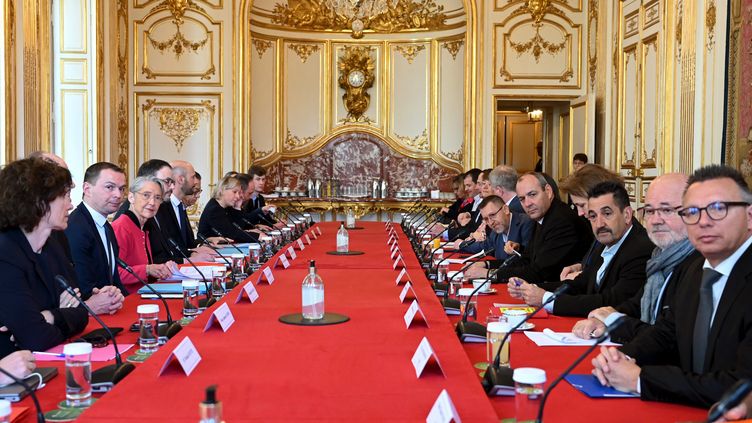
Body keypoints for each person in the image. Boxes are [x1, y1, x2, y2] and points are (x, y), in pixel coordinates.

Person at [591, 165, 752, 407]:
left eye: (719, 209)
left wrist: (640, 380)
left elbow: (742, 386)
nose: (703, 221)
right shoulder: (695, 269)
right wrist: (622, 356)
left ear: (749, 216)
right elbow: (667, 334)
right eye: (692, 212)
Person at [571, 173, 698, 341]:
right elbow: (636, 304)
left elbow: (669, 338)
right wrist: (604, 318)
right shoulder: (660, 257)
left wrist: (613, 320)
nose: (655, 220)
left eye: (666, 210)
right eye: (650, 211)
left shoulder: (698, 263)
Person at [507, 181, 654, 316]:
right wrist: (532, 289)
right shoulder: (603, 242)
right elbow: (581, 283)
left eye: (607, 213)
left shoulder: (640, 248)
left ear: (627, 215)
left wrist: (546, 299)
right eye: (593, 216)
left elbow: (612, 302)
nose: (599, 223)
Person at [0, 158, 89, 357]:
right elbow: (35, 337)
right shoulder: (5, 254)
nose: (71, 205)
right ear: (40, 202)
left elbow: (82, 313)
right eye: (64, 196)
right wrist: (60, 314)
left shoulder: (52, 245)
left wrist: (48, 315)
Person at [493, 172, 592, 285]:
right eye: (522, 199)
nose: (527, 203)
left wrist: (491, 274)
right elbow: (527, 259)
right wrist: (487, 266)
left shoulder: (561, 220)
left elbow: (538, 273)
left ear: (548, 192)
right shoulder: (542, 215)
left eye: (532, 194)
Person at [65, 162, 128, 314]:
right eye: (109, 187)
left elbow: (113, 278)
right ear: (87, 189)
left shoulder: (106, 226)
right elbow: (82, 284)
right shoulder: (75, 226)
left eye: (121, 189)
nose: (118, 195)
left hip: (110, 309)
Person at [111, 177, 175, 294]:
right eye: (146, 195)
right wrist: (147, 270)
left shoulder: (143, 227)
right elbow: (115, 275)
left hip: (146, 294)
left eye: (157, 198)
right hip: (128, 300)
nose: (152, 202)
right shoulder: (121, 227)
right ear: (131, 197)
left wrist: (161, 268)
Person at [463, 195, 534, 279]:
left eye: (492, 215)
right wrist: (484, 264)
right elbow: (486, 248)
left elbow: (525, 264)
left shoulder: (526, 224)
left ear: (505, 209)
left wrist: (488, 272)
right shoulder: (495, 231)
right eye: (486, 219)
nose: (491, 222)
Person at [198, 175, 259, 243]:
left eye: (239, 193)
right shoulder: (214, 209)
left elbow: (239, 227)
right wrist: (258, 236)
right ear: (223, 190)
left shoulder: (226, 207)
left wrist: (237, 208)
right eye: (234, 192)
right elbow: (232, 234)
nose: (238, 196)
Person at [244, 165, 283, 229]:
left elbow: (265, 220)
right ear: (250, 181)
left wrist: (278, 224)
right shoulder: (245, 199)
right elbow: (245, 222)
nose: (261, 183)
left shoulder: (260, 198)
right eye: (258, 179)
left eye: (263, 179)